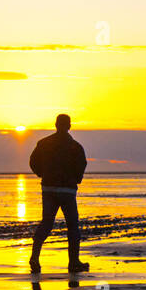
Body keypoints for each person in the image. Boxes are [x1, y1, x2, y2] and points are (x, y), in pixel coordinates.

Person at [28, 114, 90, 273]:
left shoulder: (44, 143)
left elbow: (33, 162)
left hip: (49, 188)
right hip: (67, 190)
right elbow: (82, 164)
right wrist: (76, 179)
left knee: (46, 224)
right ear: (69, 126)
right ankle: (73, 262)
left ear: (56, 125)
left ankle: (35, 257)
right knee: (72, 226)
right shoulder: (75, 146)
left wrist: (43, 174)